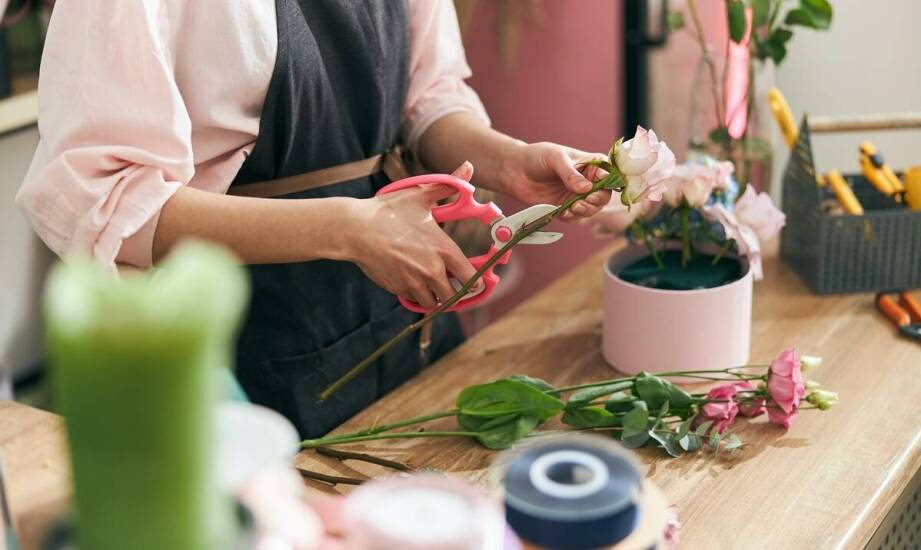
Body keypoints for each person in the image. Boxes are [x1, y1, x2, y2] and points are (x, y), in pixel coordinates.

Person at [16, 0, 611, 437]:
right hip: (239, 343)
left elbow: (427, 98)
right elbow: (100, 197)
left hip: (398, 326)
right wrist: (352, 230)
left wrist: (507, 161)